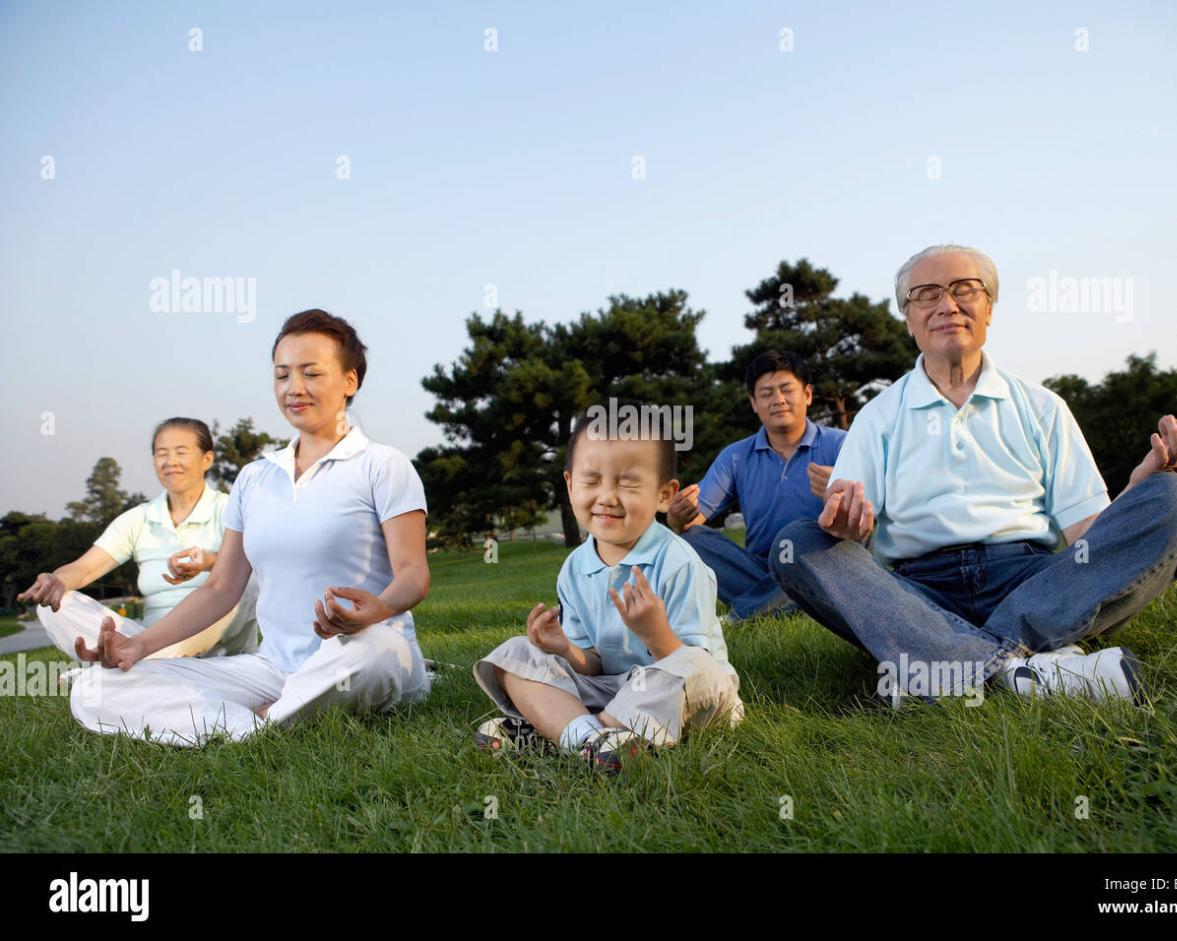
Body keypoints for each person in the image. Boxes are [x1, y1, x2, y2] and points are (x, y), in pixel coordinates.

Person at [770, 244, 1177, 704]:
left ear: (989, 308)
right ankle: (1025, 670)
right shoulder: (877, 417)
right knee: (797, 544)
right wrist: (848, 528)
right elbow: (850, 536)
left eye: (965, 289)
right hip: (917, 594)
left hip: (1035, 582)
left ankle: (939, 665)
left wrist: (1143, 486)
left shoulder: (1043, 407)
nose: (947, 305)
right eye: (926, 294)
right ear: (908, 317)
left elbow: (1088, 536)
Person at [67, 309, 433, 745]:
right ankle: (260, 722)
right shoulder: (255, 477)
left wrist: (378, 608)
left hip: (364, 656)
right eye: (282, 376)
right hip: (271, 669)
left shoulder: (382, 465)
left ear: (350, 381)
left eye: (311, 374)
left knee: (378, 652)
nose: (294, 389)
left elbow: (413, 574)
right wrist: (139, 646)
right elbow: (220, 589)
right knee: (95, 687)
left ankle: (257, 718)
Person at [473, 402, 744, 772]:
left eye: (628, 482)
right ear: (570, 485)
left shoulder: (679, 562)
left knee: (690, 666)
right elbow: (594, 664)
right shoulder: (575, 567)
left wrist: (655, 632)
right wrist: (566, 649)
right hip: (615, 689)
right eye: (591, 480)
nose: (606, 497)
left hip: (693, 695)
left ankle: (559, 732)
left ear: (664, 495)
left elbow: (691, 667)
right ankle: (593, 739)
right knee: (517, 654)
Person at [18, 418, 259, 661]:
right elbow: (85, 568)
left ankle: (136, 662)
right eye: (161, 453)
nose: (170, 462)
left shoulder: (231, 509)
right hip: (146, 640)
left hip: (218, 652)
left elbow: (258, 565)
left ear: (207, 459)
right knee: (55, 605)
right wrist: (57, 580)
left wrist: (210, 562)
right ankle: (134, 658)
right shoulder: (139, 518)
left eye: (181, 452)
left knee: (243, 581)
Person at [667, 351, 845, 621]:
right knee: (691, 540)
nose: (778, 400)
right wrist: (676, 517)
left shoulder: (840, 444)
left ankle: (743, 615)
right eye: (766, 393)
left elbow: (870, 510)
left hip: (821, 560)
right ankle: (791, 601)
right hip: (760, 568)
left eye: (787, 389)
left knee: (806, 540)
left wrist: (840, 491)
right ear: (754, 403)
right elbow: (691, 521)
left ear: (807, 394)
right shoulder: (736, 456)